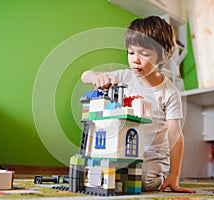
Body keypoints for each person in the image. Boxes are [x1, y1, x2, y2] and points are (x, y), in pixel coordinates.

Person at [81, 16, 195, 193]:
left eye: (144, 54)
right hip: (124, 146)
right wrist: (95, 76)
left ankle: (163, 174)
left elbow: (175, 134)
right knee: (99, 173)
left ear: (163, 56)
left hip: (153, 153)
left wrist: (174, 174)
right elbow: (85, 75)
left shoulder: (169, 92)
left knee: (143, 182)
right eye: (131, 52)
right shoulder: (125, 76)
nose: (135, 59)